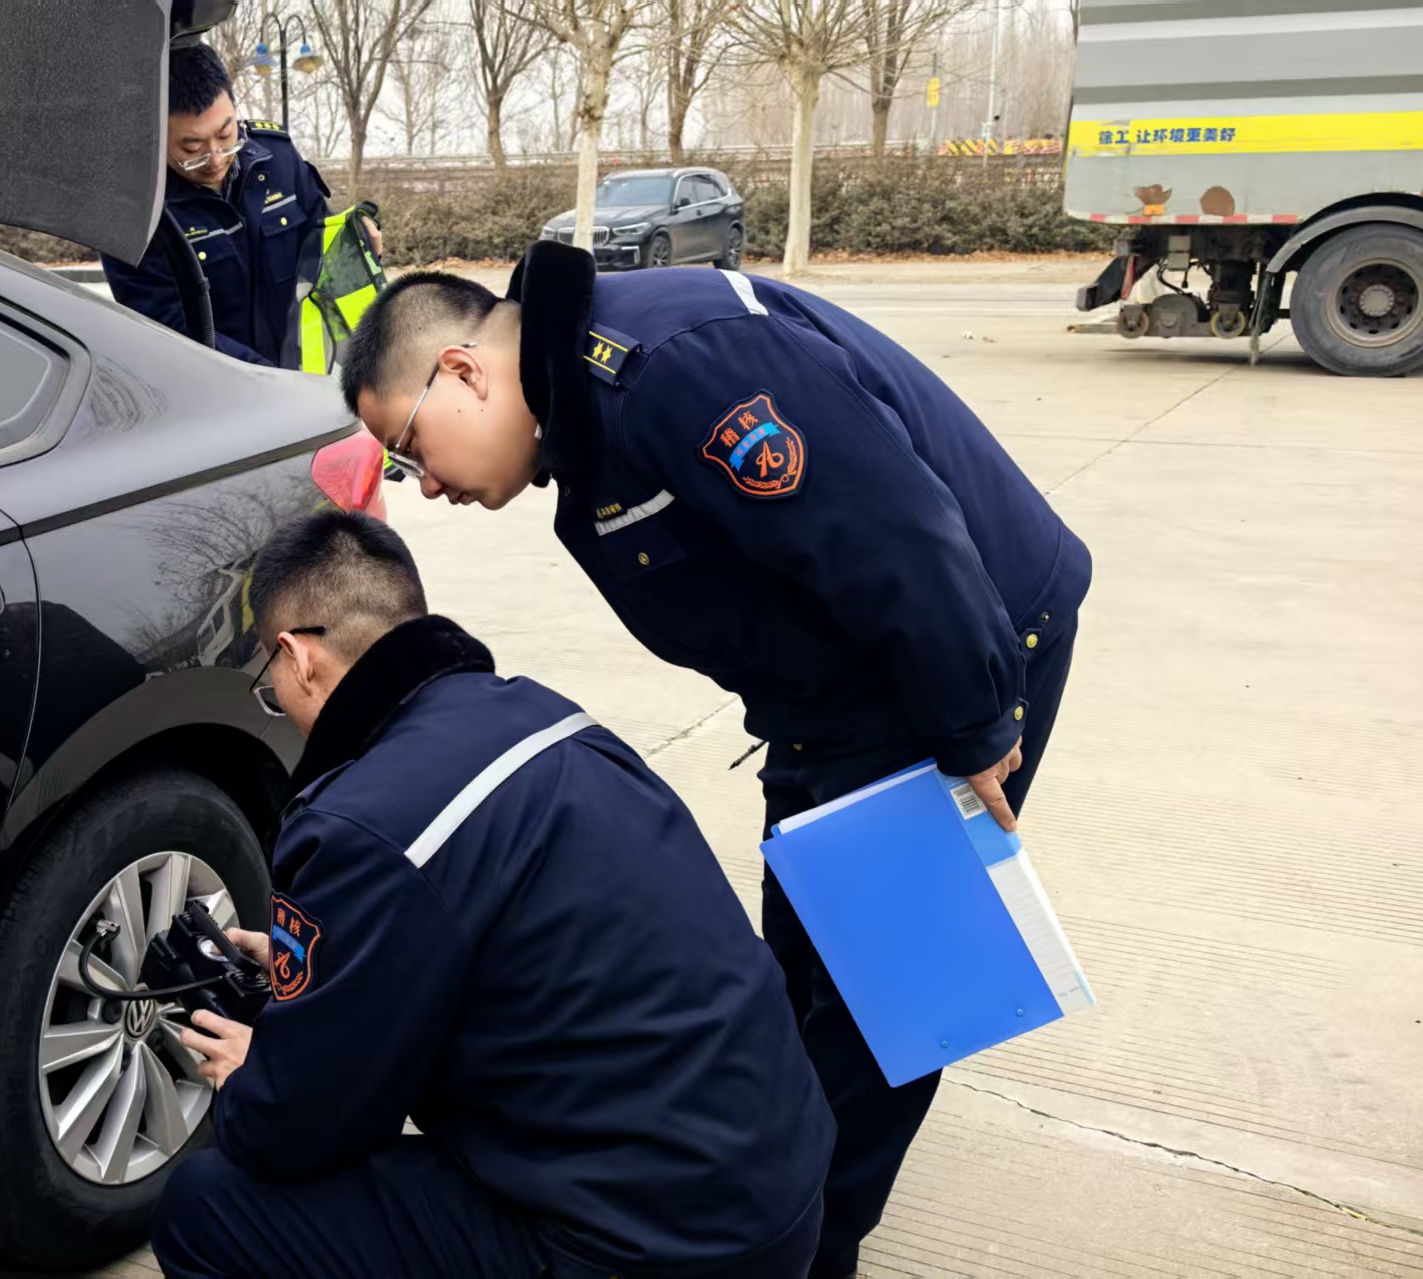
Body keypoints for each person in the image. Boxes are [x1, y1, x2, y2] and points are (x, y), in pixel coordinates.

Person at [336, 243, 1092, 1277]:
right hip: (833, 696)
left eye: (408, 448)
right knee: (794, 975)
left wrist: (975, 727)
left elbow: (896, 540)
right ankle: (772, 1213)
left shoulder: (671, 365)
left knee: (893, 1002)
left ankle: (812, 1249)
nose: (422, 486)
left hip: (956, 651)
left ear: (462, 371)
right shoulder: (582, 429)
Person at [151, 510, 834, 1279]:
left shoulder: (363, 824)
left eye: (271, 687)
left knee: (206, 1207)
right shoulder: (543, 717)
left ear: (298, 657)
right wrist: (333, 964)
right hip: (783, 1191)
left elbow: (297, 1132)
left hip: (646, 1248)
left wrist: (258, 1076)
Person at [102, 44, 336, 369]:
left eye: (225, 134)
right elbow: (165, 324)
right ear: (155, 133)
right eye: (192, 147)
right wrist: (267, 380)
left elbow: (322, 241)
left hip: (304, 372)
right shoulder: (134, 210)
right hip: (215, 385)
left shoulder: (278, 158)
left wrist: (357, 237)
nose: (215, 159)